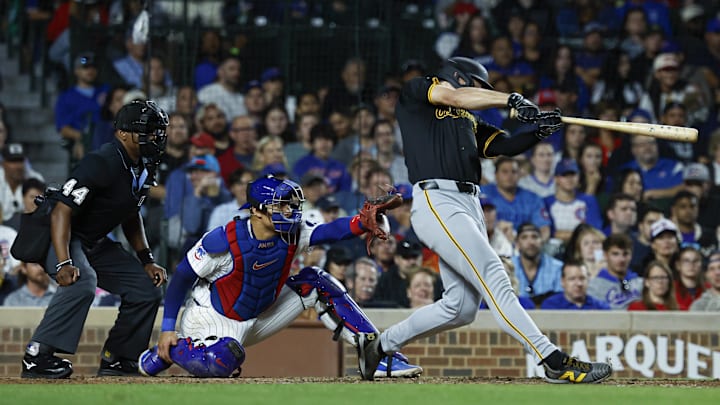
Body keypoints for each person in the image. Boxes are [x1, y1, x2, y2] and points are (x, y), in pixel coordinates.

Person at [353, 57, 612, 383]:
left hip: (468, 203)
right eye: (479, 86)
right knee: (494, 275)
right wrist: (510, 99)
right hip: (437, 199)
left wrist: (539, 130)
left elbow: (503, 144)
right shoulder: (419, 91)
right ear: (460, 77)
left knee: (459, 308)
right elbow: (455, 97)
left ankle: (378, 347)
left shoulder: (469, 121)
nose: (481, 93)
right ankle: (551, 359)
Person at [137, 176, 422, 378]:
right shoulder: (224, 240)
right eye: (280, 206)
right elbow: (181, 279)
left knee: (315, 280)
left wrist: (361, 222)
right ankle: (171, 351)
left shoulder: (293, 232)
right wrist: (167, 329)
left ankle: (377, 355)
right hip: (212, 318)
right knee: (223, 359)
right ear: (257, 212)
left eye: (290, 205)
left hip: (261, 314)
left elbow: (330, 231)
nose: (290, 211)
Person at [20, 100, 170, 379]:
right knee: (82, 281)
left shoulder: (142, 166)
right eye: (147, 131)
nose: (154, 137)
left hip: (93, 242)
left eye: (157, 131)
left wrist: (147, 259)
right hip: (60, 237)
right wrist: (64, 261)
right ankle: (37, 357)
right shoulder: (102, 160)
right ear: (123, 133)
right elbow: (61, 211)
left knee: (145, 288)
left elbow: (131, 214)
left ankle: (119, 360)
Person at [587, 233, 643, 309]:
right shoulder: (593, 287)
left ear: (631, 255)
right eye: (615, 254)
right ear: (605, 255)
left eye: (625, 254)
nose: (621, 259)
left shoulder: (642, 284)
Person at [540, 261, 610, 310]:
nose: (579, 284)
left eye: (582, 278)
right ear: (563, 282)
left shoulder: (601, 307)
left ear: (588, 280)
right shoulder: (551, 306)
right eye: (572, 279)